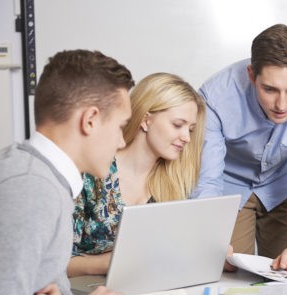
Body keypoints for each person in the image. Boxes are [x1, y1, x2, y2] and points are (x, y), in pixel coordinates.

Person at [0, 50, 152, 295]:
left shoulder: (36, 173)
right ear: (90, 120)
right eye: (121, 126)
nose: (122, 141)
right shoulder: (32, 189)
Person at [193, 24, 287, 271]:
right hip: (232, 186)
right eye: (269, 89)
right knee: (230, 272)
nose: (281, 104)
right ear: (252, 75)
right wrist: (211, 239)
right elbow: (207, 179)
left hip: (285, 182)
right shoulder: (215, 96)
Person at [69, 73, 205, 277]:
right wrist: (110, 263)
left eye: (191, 129)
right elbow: (55, 263)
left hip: (148, 286)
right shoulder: (90, 173)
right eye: (178, 125)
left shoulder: (173, 183)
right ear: (146, 120)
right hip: (85, 291)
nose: (186, 137)